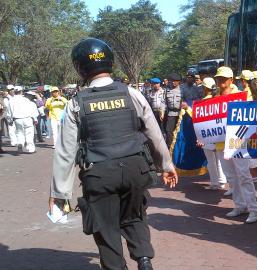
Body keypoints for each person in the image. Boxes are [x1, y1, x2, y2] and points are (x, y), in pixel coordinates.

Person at [49, 38, 178, 270]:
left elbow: (66, 151)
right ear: (110, 61)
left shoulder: (76, 103)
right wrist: (166, 165)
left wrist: (60, 192)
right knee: (135, 213)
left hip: (99, 173)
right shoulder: (132, 94)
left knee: (105, 226)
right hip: (135, 169)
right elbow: (154, 134)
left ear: (79, 66)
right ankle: (143, 259)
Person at [213, 66, 257, 223]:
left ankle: (253, 209)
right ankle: (240, 206)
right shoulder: (215, 97)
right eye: (218, 78)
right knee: (232, 178)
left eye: (223, 79)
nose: (220, 81)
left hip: (238, 142)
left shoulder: (241, 96)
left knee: (244, 175)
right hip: (221, 143)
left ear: (231, 80)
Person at [197, 77, 227, 190]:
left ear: (205, 88)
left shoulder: (203, 102)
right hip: (218, 134)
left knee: (211, 161)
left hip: (207, 134)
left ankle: (215, 183)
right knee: (219, 160)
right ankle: (222, 181)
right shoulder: (219, 99)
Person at [7, 86, 39, 153]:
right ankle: (30, 148)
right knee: (29, 133)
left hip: (17, 119)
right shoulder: (26, 99)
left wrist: (10, 120)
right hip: (27, 118)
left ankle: (20, 144)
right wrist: (35, 118)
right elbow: (31, 110)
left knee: (19, 133)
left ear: (14, 91)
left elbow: (9, 111)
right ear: (21, 91)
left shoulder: (11, 100)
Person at [164, 73, 183, 147]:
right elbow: (164, 102)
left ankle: (179, 147)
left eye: (175, 81)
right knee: (169, 131)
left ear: (179, 81)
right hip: (171, 114)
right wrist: (162, 111)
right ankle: (170, 147)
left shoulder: (182, 90)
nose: (173, 82)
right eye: (171, 81)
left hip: (180, 113)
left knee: (180, 131)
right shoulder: (167, 90)